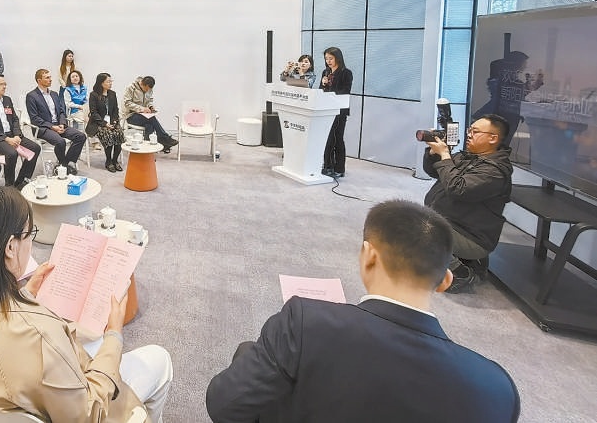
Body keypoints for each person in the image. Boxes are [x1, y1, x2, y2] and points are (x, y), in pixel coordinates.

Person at [205, 199, 520, 423]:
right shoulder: (497, 388)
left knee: (247, 353)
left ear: (369, 256)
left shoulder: (305, 322)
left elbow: (224, 406)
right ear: (445, 281)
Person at [0, 184, 173, 422]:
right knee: (159, 359)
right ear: (10, 247)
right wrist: (114, 333)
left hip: (16, 397)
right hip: (83, 409)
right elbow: (89, 415)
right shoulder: (40, 336)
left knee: (90, 340)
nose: (30, 243)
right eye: (30, 234)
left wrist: (26, 294)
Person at [423, 114, 513, 291]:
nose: (469, 135)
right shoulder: (468, 156)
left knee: (415, 229)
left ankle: (461, 273)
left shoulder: (495, 171)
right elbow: (434, 171)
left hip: (470, 237)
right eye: (469, 130)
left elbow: (457, 189)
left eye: (475, 131)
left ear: (493, 138)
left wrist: (445, 155)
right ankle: (460, 260)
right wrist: (433, 154)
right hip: (450, 224)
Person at [0, 75, 41, 187]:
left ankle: (21, 182)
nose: (5, 86)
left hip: (12, 135)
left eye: (5, 84)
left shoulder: (7, 100)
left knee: (35, 148)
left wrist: (16, 135)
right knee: (11, 153)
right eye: (1, 84)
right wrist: (6, 139)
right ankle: (9, 186)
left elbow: (14, 119)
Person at [25, 69, 87, 174]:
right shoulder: (31, 96)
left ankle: (66, 163)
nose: (50, 79)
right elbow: (35, 118)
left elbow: (61, 111)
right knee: (60, 142)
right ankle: (64, 165)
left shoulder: (54, 94)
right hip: (43, 128)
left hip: (59, 125)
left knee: (81, 136)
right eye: (47, 78)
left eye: (50, 77)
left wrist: (62, 124)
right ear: (39, 80)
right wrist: (52, 127)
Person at [320, 47, 353, 178]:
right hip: (326, 110)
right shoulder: (325, 72)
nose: (328, 61)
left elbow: (345, 91)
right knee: (328, 139)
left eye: (331, 58)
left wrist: (330, 88)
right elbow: (321, 91)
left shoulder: (346, 73)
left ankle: (339, 168)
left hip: (340, 111)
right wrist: (323, 84)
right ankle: (327, 166)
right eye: (326, 59)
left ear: (338, 58)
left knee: (338, 138)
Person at [122, 76, 178, 152]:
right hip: (131, 116)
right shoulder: (131, 88)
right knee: (151, 118)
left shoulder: (149, 89)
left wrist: (151, 107)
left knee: (150, 125)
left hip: (143, 116)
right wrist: (142, 109)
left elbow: (149, 101)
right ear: (142, 84)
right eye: (146, 89)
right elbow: (127, 103)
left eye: (149, 90)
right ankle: (164, 138)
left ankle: (147, 149)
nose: (148, 91)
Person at [87, 73, 126, 172]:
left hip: (111, 121)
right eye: (108, 81)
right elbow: (93, 112)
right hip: (98, 122)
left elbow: (115, 110)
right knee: (108, 134)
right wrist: (104, 124)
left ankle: (115, 160)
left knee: (119, 133)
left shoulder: (112, 94)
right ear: (101, 83)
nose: (110, 83)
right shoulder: (94, 95)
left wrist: (114, 121)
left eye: (111, 81)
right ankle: (108, 161)